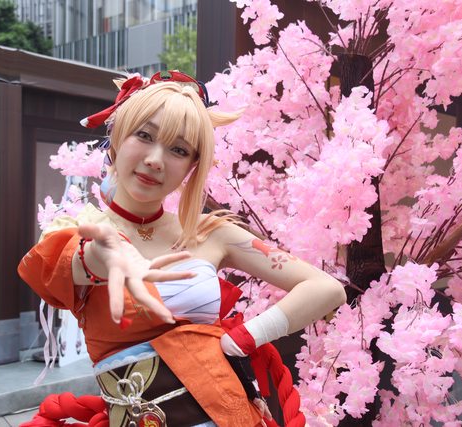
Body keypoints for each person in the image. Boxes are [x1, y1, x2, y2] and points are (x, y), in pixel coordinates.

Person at [18, 71, 346, 427]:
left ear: (192, 166)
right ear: (116, 138)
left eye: (179, 149)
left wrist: (244, 338)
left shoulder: (211, 234)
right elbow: (79, 259)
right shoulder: (78, 231)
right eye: (144, 135)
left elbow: (326, 288)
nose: (155, 160)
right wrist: (110, 256)